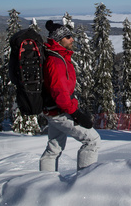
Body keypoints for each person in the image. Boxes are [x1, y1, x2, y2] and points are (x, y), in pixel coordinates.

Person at [39, 20, 101, 172]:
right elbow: (60, 94)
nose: (72, 39)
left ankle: (44, 183)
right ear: (59, 40)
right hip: (59, 112)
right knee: (92, 140)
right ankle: (84, 182)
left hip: (53, 111)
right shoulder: (56, 61)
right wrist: (76, 113)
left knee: (53, 149)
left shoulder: (58, 57)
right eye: (68, 37)